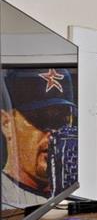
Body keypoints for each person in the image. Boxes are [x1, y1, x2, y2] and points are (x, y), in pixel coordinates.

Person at [0, 67, 78, 207]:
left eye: (61, 119)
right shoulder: (5, 199)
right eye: (40, 119)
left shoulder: (69, 190)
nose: (53, 132)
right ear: (6, 124)